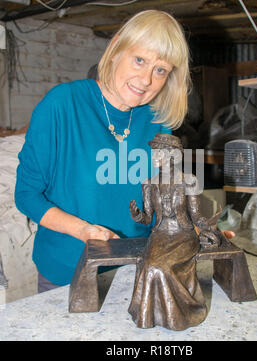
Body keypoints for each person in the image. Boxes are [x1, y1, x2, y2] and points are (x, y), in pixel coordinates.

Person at [14, 10, 191, 292]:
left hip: (135, 271)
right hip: (68, 273)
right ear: (117, 47)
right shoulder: (62, 105)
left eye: (160, 70)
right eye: (140, 60)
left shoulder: (158, 123)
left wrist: (187, 230)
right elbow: (27, 195)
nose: (146, 80)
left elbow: (160, 205)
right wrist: (82, 230)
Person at [128, 133, 213, 330]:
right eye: (153, 152)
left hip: (183, 235)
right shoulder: (148, 183)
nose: (154, 156)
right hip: (160, 235)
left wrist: (210, 226)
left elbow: (196, 215)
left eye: (159, 152)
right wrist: (138, 216)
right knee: (149, 265)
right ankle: (150, 316)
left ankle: (184, 313)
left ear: (173, 155)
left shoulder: (189, 181)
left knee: (162, 267)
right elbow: (149, 218)